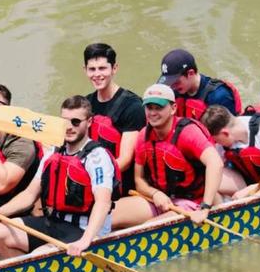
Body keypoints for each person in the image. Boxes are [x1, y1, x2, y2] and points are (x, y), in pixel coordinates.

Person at [0, 95, 120, 260]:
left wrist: (85, 241)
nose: (69, 127)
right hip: (55, 223)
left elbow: (103, 202)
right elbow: (29, 195)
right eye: (65, 122)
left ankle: (32, 268)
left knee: (38, 255)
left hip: (84, 229)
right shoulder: (53, 152)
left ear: (89, 122)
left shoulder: (97, 157)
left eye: (76, 122)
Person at [111, 84, 223, 229]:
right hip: (160, 200)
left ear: (173, 108)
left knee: (147, 229)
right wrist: (155, 193)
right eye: (149, 108)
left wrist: (205, 207)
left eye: (159, 107)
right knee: (109, 215)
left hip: (194, 202)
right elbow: (139, 180)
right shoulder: (142, 136)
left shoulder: (188, 133)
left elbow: (216, 163)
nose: (153, 113)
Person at [83, 43, 146, 194]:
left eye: (102, 68)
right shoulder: (85, 104)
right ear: (85, 70)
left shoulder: (133, 106)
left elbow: (125, 160)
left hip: (120, 186)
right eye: (92, 69)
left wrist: (93, 176)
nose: (97, 74)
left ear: (114, 68)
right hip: (91, 179)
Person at [157, 48, 242, 119]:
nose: (172, 86)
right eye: (169, 82)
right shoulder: (174, 92)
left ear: (191, 73)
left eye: (176, 82)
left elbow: (230, 134)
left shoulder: (219, 96)